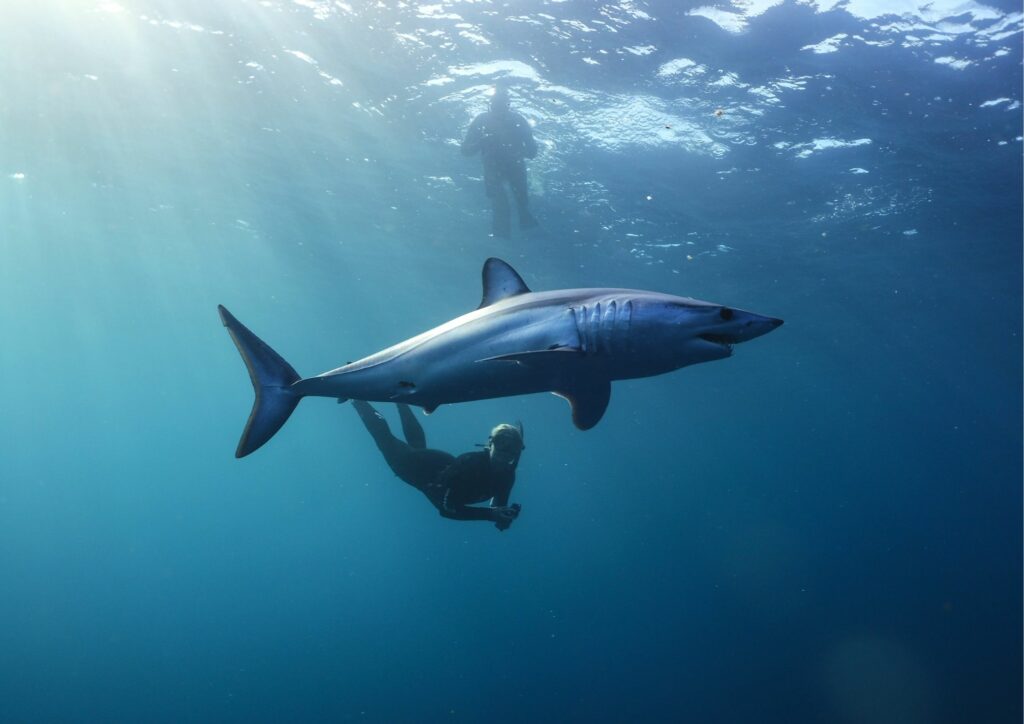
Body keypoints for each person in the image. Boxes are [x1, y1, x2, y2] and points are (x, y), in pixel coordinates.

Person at [352, 400, 525, 531]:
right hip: (411, 467)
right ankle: (357, 398)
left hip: (436, 462)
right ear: (490, 443)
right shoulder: (471, 465)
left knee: (417, 444)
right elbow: (446, 509)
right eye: (502, 444)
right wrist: (490, 516)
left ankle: (400, 400)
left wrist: (503, 518)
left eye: (513, 448)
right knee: (385, 438)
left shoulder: (508, 475)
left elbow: (498, 508)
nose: (506, 453)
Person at [461, 85, 538, 238]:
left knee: (521, 204)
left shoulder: (517, 120)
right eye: (497, 105)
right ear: (490, 105)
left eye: (502, 105)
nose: (499, 110)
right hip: (494, 167)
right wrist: (481, 142)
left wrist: (519, 151)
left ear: (508, 105)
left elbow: (532, 151)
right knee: (501, 206)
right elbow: (465, 151)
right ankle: (503, 238)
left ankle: (516, 232)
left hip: (512, 166)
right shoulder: (482, 120)